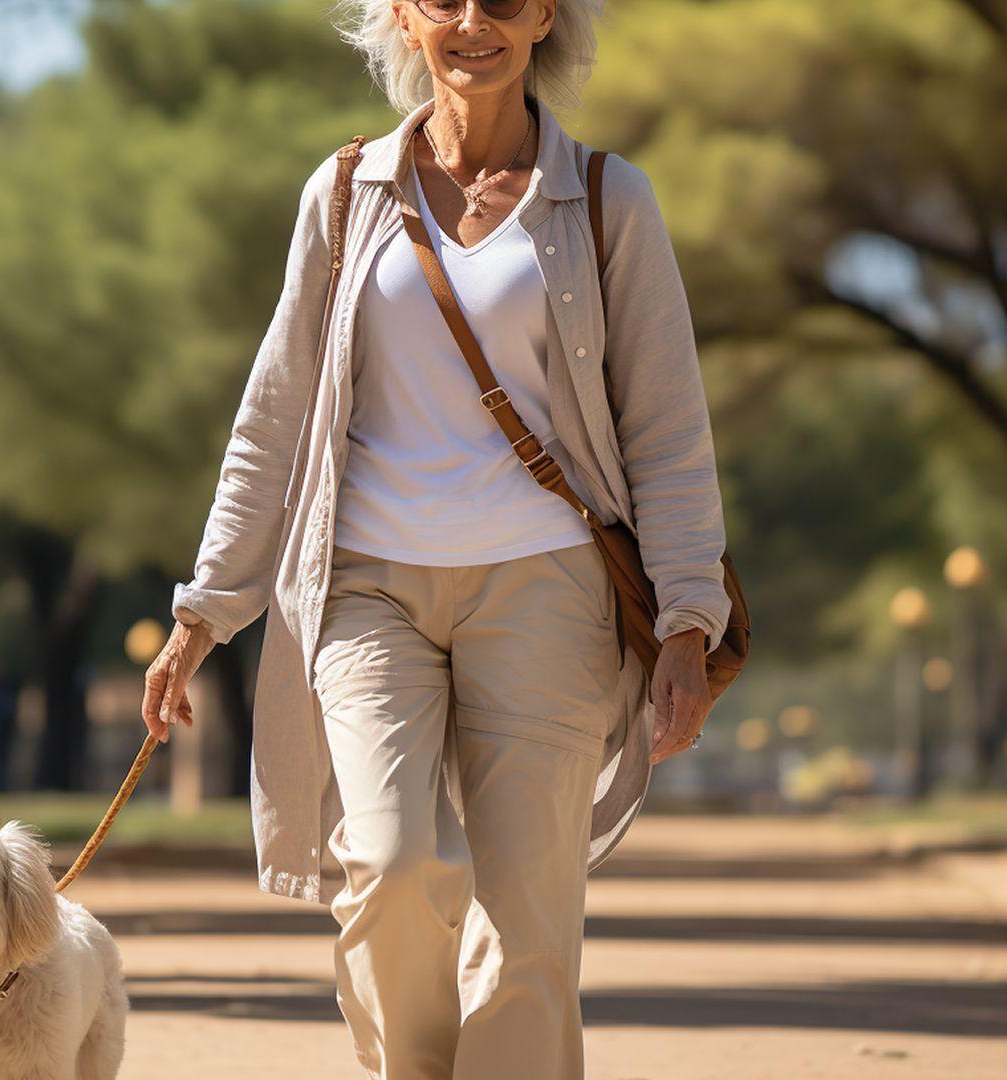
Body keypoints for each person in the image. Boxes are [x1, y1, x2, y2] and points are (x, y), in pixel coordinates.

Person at [142, 0, 733, 1073]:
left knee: (526, 921)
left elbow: (667, 426)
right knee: (389, 861)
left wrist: (689, 619)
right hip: (368, 585)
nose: (474, 21)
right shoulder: (344, 194)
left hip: (547, 587)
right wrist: (205, 610)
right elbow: (273, 417)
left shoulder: (606, 200)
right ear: (404, 20)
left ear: (545, 13)